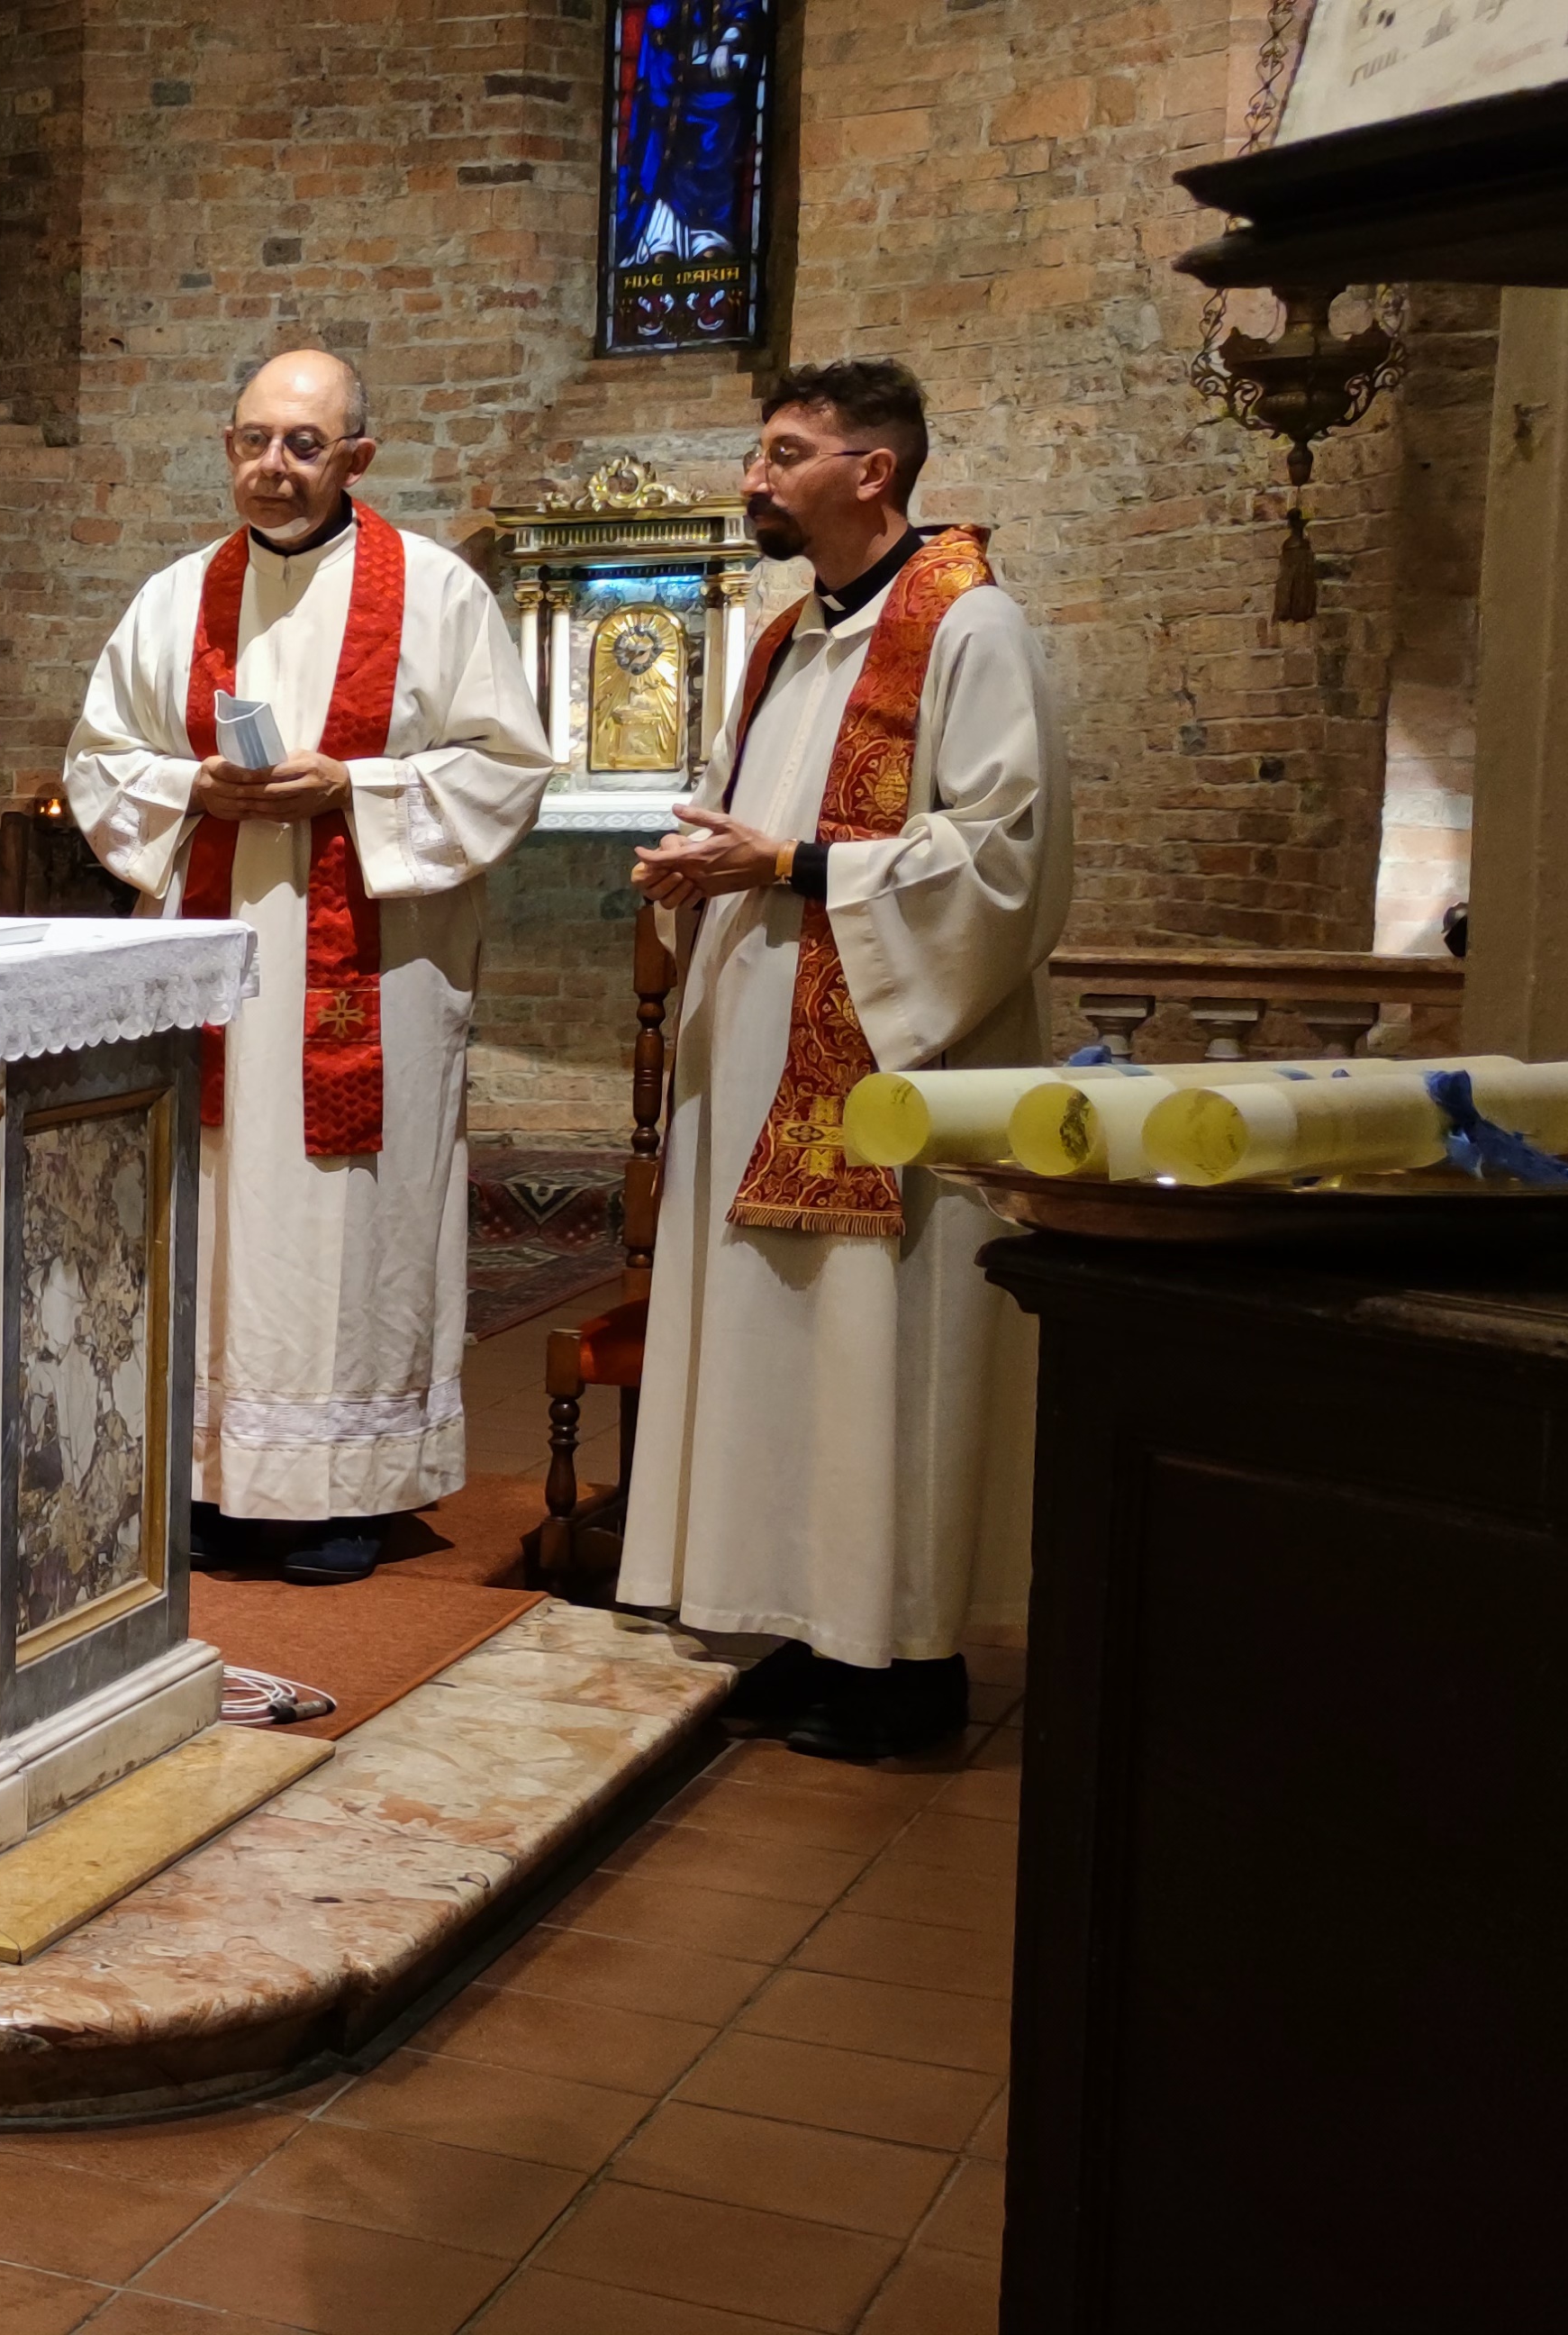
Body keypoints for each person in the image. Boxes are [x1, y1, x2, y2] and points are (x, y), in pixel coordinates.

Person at [620, 359, 1062, 1764]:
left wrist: (795, 861)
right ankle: (794, 1619)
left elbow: (1008, 858)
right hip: (755, 1041)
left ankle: (901, 1662)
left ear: (874, 473)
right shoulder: (784, 637)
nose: (754, 479)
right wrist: (710, 866)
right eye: (760, 454)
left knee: (879, 1349)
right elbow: (761, 827)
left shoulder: (971, 629)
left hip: (888, 1064)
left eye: (785, 453)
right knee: (777, 1345)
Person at [57, 349, 558, 1585]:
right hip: (217, 965)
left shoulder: (435, 596)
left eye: (302, 445)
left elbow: (506, 769)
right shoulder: (175, 600)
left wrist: (359, 785)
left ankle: (341, 1485)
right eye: (252, 441)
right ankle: (213, 1475)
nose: (271, 468)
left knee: (345, 1226)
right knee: (215, 1210)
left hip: (371, 974)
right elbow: (98, 760)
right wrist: (194, 786)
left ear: (357, 459)